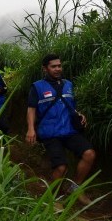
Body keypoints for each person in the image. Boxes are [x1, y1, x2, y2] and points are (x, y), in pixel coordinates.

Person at [26, 53, 96, 205]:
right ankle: (53, 199)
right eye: (53, 66)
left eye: (59, 66)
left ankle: (75, 188)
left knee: (89, 154)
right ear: (45, 69)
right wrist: (31, 129)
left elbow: (69, 105)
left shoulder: (68, 84)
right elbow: (31, 109)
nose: (58, 69)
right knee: (61, 167)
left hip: (69, 130)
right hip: (50, 133)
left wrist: (79, 114)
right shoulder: (37, 87)